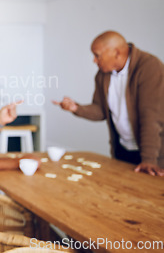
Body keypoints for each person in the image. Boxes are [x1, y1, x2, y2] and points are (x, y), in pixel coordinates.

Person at [53, 31, 164, 176]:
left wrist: (149, 159)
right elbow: (101, 110)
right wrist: (76, 108)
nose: (94, 60)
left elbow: (151, 117)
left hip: (154, 155)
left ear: (116, 53)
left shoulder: (150, 67)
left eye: (97, 55)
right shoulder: (103, 74)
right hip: (123, 150)